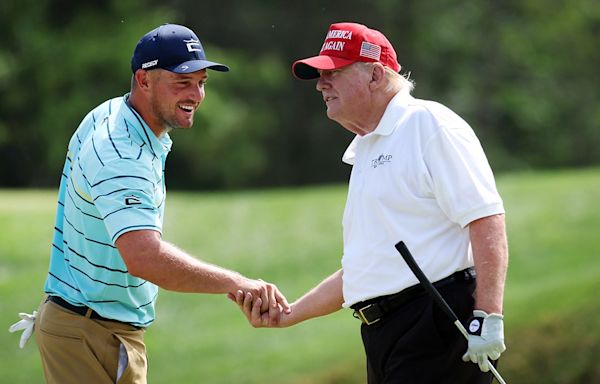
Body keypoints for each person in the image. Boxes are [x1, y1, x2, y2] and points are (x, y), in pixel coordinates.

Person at [10, 23, 289, 384]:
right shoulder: (121, 151)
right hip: (90, 334)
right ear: (144, 80)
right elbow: (144, 258)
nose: (197, 95)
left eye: (201, 82)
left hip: (90, 328)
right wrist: (236, 282)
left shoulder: (118, 115)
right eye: (182, 82)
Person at [233, 22, 508, 384]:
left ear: (376, 75)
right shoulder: (367, 146)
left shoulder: (429, 125)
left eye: (333, 73)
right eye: (320, 75)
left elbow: (486, 219)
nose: (320, 85)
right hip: (384, 334)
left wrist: (488, 315)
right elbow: (365, 269)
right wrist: (291, 314)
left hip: (438, 319)